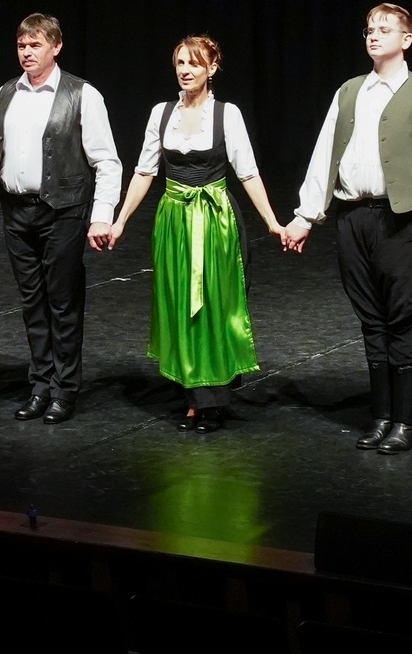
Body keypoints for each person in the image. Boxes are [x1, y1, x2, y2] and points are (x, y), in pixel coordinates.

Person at [282, 3, 412, 454]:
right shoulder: (349, 91)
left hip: (402, 217)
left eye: (385, 29)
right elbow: (325, 154)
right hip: (353, 217)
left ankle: (408, 421)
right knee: (370, 316)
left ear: (407, 39)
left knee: (403, 315)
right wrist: (306, 216)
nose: (374, 35)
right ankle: (382, 415)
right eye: (369, 29)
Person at [107, 36, 283, 433]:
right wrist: (120, 221)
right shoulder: (161, 113)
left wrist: (272, 222)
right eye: (180, 63)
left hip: (214, 219)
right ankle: (193, 396)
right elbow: (144, 171)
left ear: (212, 68)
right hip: (173, 219)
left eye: (194, 63)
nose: (186, 71)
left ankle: (213, 399)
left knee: (213, 305)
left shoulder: (226, 114)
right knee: (179, 304)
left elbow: (248, 172)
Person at [0, 13, 122, 425]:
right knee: (32, 302)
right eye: (21, 45)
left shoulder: (81, 94)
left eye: (35, 45)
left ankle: (65, 388)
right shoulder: (6, 94)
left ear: (56, 47)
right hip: (16, 212)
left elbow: (107, 162)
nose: (27, 52)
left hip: (62, 212)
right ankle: (40, 384)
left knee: (62, 302)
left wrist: (101, 216)